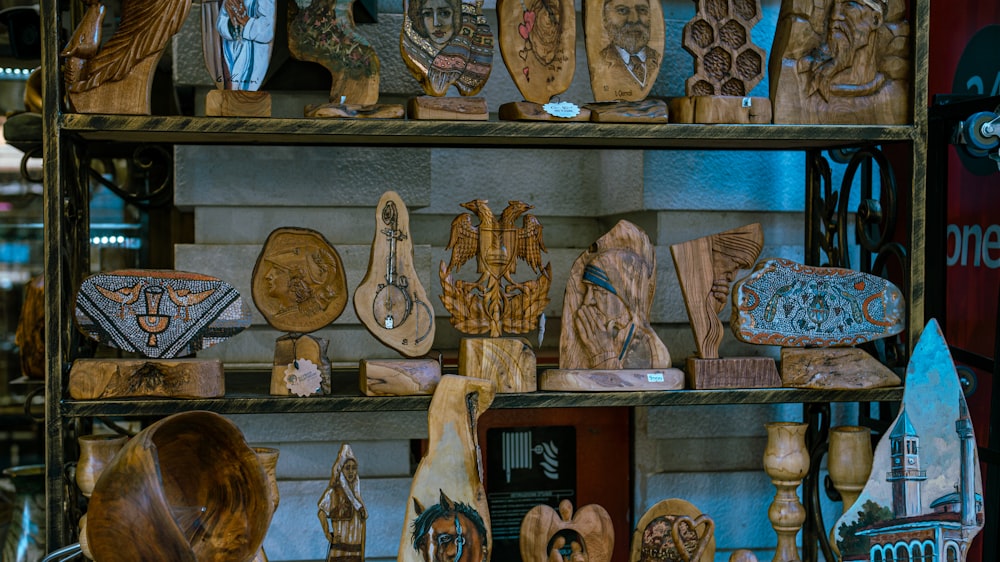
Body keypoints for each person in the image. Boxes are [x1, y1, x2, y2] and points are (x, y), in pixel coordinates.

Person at [318, 444, 366, 562]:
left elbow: (362, 528)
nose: (350, 471)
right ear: (341, 469)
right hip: (339, 551)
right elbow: (321, 512)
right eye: (347, 467)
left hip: (356, 552)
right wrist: (327, 533)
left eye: (353, 468)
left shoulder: (358, 498)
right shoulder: (334, 492)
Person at [598, 0, 659, 87]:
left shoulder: (657, 58)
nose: (634, 20)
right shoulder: (599, 61)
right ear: (605, 20)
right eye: (622, 10)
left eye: (642, 10)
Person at [216, 0, 275, 91]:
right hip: (232, 54)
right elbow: (220, 23)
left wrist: (246, 21)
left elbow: (268, 30)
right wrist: (232, 24)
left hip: (256, 57)